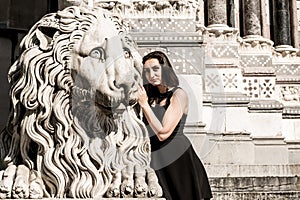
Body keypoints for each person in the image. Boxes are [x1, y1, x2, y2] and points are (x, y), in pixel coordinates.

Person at [138, 51, 212, 200]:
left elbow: (163, 133)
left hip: (177, 158)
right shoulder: (149, 96)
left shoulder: (179, 95)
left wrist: (145, 105)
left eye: (155, 69)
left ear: (165, 69)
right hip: (155, 158)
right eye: (146, 71)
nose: (151, 74)